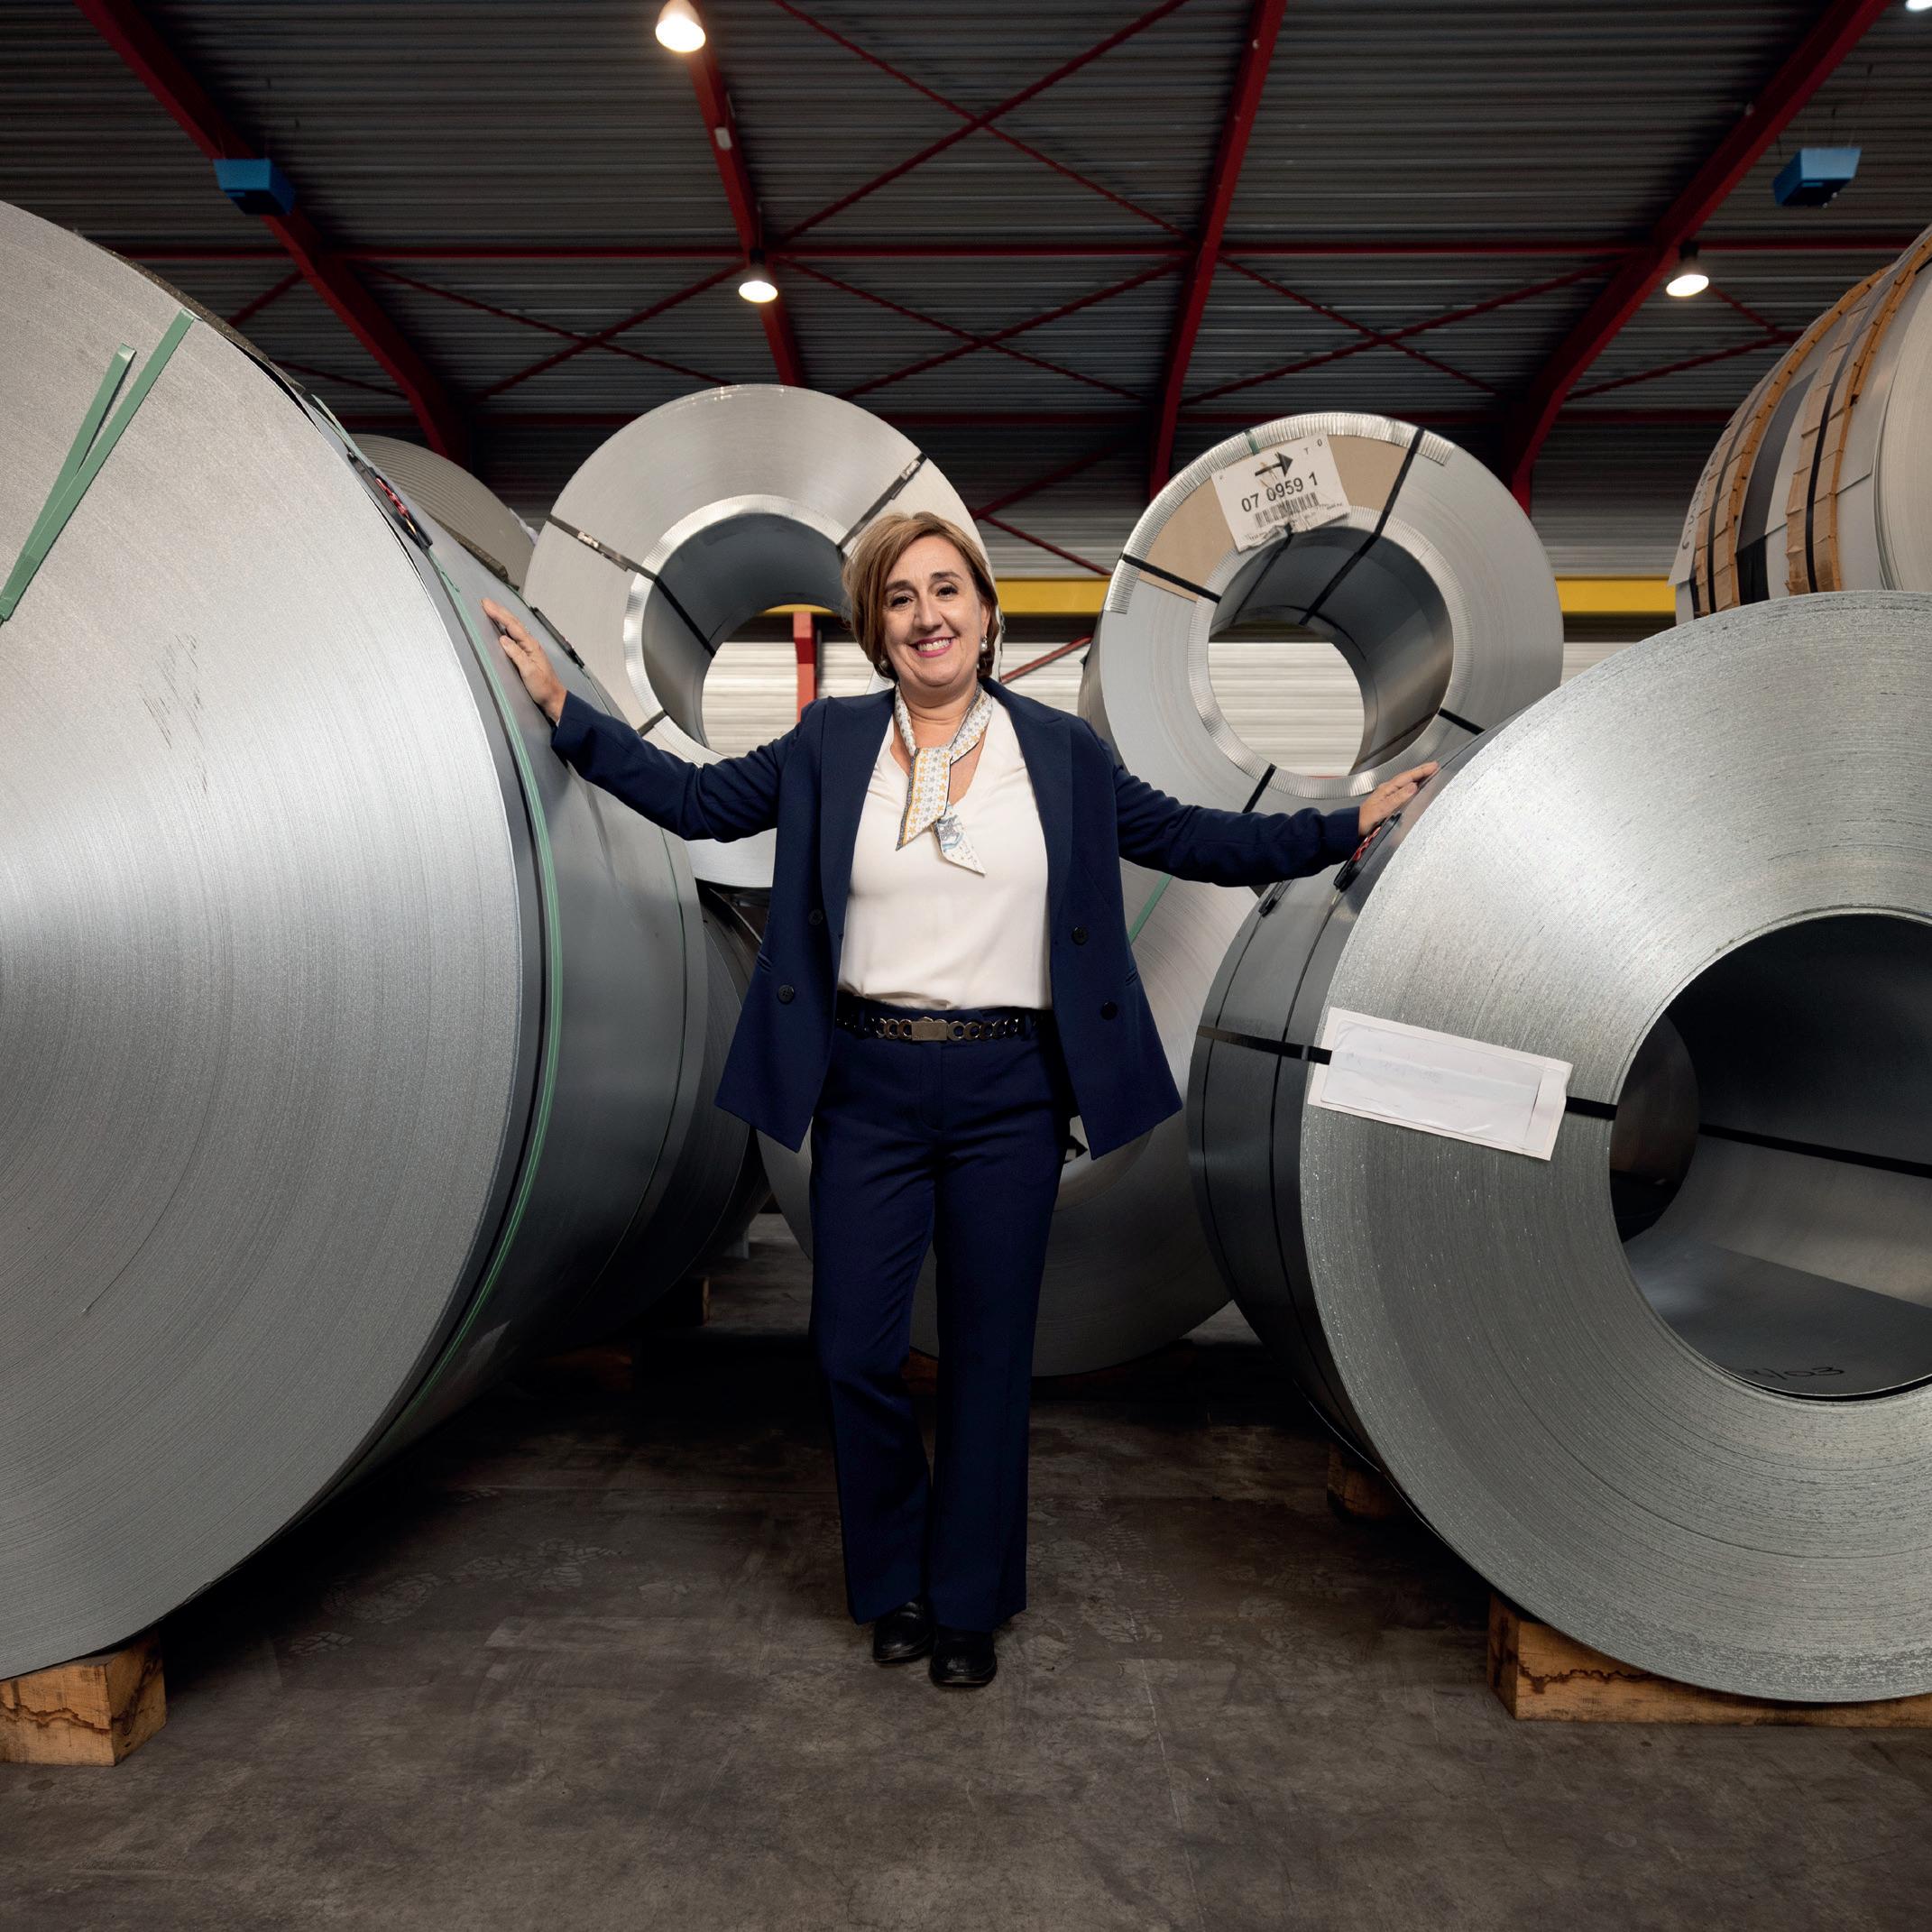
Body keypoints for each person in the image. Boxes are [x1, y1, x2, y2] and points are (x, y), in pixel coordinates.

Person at [487, 511, 1433, 1690]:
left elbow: (1195, 839)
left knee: (989, 1357)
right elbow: (696, 802)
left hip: (1008, 1090)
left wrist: (1347, 823)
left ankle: (968, 1600)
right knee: (852, 1349)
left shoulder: (1062, 753)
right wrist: (566, 714)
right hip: (868, 1083)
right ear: (874, 630)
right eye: (899, 597)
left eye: (947, 590)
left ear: (987, 614)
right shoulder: (830, 743)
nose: (926, 615)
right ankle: (891, 1580)